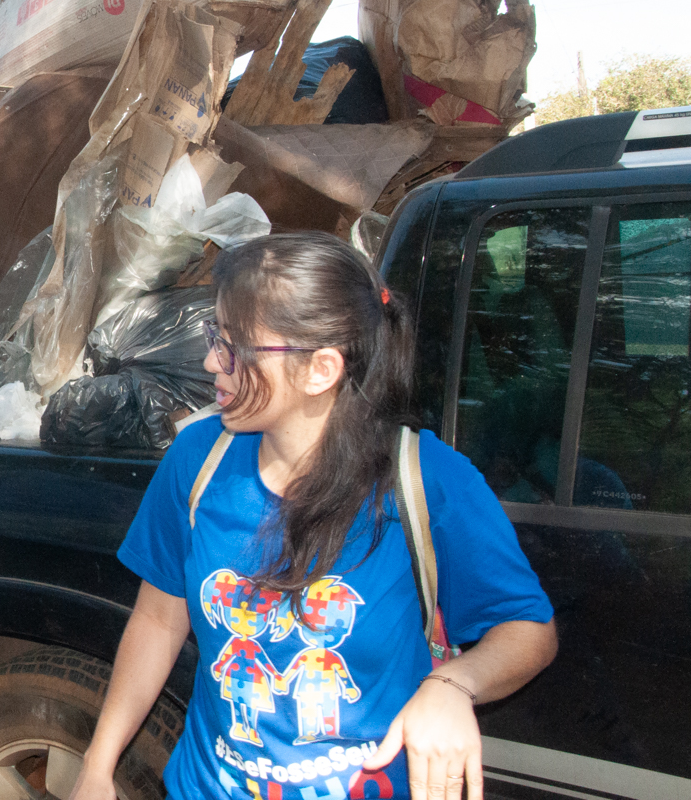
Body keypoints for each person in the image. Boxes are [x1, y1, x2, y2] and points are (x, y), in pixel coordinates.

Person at [68, 233, 557, 800]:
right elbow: (158, 621)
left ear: (320, 369)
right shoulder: (197, 461)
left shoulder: (426, 480)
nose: (209, 363)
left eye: (232, 347)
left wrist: (454, 684)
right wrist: (98, 764)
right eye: (212, 338)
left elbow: (530, 631)